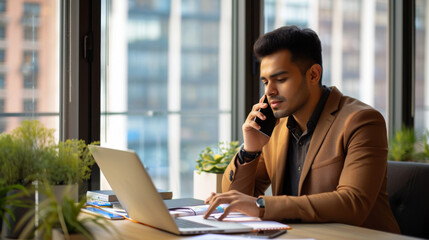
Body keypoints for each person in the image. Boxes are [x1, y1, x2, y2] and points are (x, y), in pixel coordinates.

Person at [203, 25, 400, 234]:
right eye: (265, 81)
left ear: (314, 75)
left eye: (280, 79)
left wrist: (262, 206)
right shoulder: (276, 127)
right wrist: (249, 150)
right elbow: (236, 199)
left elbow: (353, 203)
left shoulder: (361, 121)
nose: (269, 91)